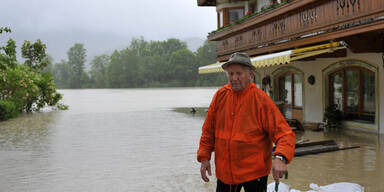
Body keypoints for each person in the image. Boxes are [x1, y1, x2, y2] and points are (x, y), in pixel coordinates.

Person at [197, 52, 296, 192]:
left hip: (255, 174)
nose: (234, 78)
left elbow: (285, 134)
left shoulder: (261, 100)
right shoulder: (220, 96)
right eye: (231, 74)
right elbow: (208, 131)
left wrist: (280, 158)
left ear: (250, 75)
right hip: (226, 174)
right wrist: (204, 158)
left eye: (239, 73)